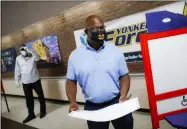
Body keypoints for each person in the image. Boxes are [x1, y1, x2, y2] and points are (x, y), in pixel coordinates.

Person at [66, 15, 133, 129]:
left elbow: (124, 76)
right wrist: (72, 101)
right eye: (95, 28)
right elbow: (71, 81)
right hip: (93, 107)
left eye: (102, 28)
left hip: (117, 102)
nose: (100, 31)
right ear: (86, 31)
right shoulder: (75, 55)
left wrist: (123, 94)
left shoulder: (115, 51)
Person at [14, 44, 46, 123]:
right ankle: (31, 115)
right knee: (29, 99)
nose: (23, 51)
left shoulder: (33, 56)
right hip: (25, 82)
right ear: (20, 51)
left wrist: (31, 51)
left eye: (24, 49)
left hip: (35, 80)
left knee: (40, 96)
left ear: (27, 49)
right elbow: (17, 69)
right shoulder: (18, 58)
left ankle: (43, 111)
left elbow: (38, 58)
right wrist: (16, 80)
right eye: (21, 50)